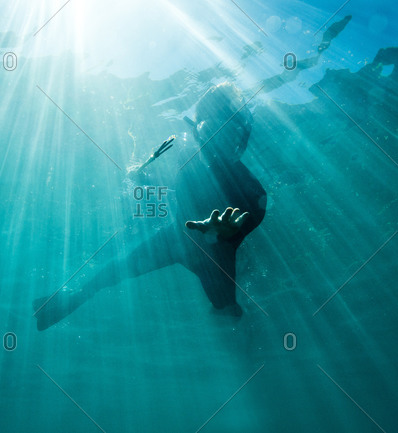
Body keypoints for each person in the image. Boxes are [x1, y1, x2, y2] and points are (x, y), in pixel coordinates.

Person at [33, 83, 267, 330]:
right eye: (214, 129)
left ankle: (245, 338)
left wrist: (228, 234)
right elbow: (172, 182)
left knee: (228, 311)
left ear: (244, 135)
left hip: (211, 256)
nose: (222, 140)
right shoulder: (186, 160)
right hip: (179, 242)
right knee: (108, 274)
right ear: (198, 130)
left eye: (231, 130)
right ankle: (72, 299)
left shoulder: (251, 191)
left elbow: (252, 212)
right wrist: (142, 176)